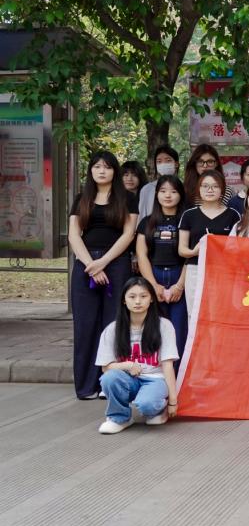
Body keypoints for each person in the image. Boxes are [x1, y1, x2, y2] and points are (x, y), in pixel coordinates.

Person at [69, 151, 139, 399]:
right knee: (85, 325)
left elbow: (128, 234)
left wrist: (104, 262)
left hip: (116, 264)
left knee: (114, 324)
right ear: (90, 171)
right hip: (85, 265)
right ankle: (86, 386)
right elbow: (74, 235)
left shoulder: (127, 198)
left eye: (107, 167)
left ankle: (109, 382)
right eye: (97, 166)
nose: (101, 171)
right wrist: (91, 265)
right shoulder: (82, 198)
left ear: (114, 171)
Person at [95, 277, 179, 434]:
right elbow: (105, 368)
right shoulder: (112, 329)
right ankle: (119, 418)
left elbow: (168, 365)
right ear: (124, 300)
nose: (138, 301)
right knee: (109, 378)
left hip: (155, 380)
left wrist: (173, 402)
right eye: (132, 297)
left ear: (152, 299)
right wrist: (128, 365)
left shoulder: (164, 326)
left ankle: (158, 410)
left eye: (143, 296)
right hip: (129, 379)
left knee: (147, 405)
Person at [135, 175, 188, 366]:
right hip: (154, 275)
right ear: (156, 194)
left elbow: (190, 257)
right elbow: (141, 255)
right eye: (163, 191)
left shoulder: (187, 220)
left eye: (173, 191)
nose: (168, 195)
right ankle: (156, 374)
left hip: (180, 275)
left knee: (179, 330)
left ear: (180, 195)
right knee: (154, 328)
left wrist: (179, 286)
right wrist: (152, 285)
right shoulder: (147, 222)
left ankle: (177, 376)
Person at [178, 170, 241, 320]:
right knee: (195, 314)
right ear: (199, 189)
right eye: (205, 186)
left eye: (215, 186)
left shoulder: (233, 215)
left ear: (222, 189)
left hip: (223, 270)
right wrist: (195, 251)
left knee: (221, 314)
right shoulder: (189, 215)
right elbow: (182, 250)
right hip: (195, 269)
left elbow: (238, 249)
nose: (210, 190)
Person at [137, 145, 180, 219]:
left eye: (168, 160)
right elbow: (142, 216)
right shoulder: (147, 189)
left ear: (176, 164)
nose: (163, 164)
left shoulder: (184, 188)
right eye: (159, 161)